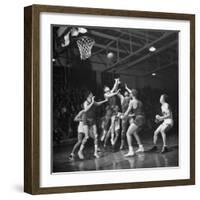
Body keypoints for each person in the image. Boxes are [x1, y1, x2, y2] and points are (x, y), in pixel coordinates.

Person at [79, 92, 108, 159]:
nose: (92, 94)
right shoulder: (85, 102)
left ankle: (95, 153)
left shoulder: (92, 101)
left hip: (92, 120)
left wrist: (105, 101)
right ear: (88, 95)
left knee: (96, 136)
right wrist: (92, 102)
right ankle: (80, 151)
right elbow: (86, 109)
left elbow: (97, 104)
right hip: (86, 120)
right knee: (86, 137)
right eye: (91, 94)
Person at [122, 88, 145, 157]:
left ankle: (131, 151)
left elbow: (127, 112)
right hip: (143, 118)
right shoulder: (140, 101)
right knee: (134, 132)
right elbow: (137, 112)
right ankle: (141, 147)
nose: (129, 94)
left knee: (128, 133)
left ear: (132, 95)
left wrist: (123, 116)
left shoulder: (132, 101)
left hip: (138, 119)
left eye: (130, 94)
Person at [117, 84, 132, 149]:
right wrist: (117, 84)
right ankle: (122, 144)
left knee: (132, 129)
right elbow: (116, 92)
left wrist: (127, 88)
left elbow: (132, 92)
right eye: (125, 92)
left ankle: (130, 144)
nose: (126, 93)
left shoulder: (130, 98)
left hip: (129, 115)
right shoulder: (122, 98)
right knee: (123, 130)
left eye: (127, 92)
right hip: (124, 115)